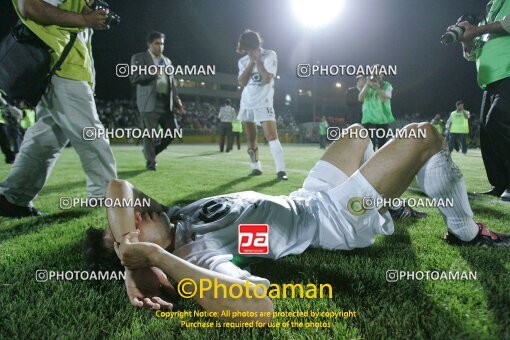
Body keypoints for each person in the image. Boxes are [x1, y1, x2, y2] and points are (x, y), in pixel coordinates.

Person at [84, 122, 510, 310]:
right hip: (336, 220)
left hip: (308, 195)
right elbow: (260, 306)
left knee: (357, 134)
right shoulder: (199, 257)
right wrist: (153, 260)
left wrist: (127, 256)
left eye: (124, 224)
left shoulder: (176, 217)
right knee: (424, 136)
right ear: (150, 259)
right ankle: (466, 232)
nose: (130, 215)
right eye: (122, 229)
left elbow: (117, 189)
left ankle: (391, 197)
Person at [0, 0, 117, 218]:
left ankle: (12, 197)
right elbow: (31, 7)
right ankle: (106, 203)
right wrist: (85, 19)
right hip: (60, 66)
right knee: (91, 134)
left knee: (46, 139)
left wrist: (91, 14)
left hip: (64, 66)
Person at [455, 0, 510, 200]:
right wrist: (465, 38)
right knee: (487, 132)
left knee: (497, 120)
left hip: (508, 72)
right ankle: (500, 183)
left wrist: (476, 30)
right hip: (490, 81)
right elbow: (472, 54)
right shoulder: (490, 10)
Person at [236, 29, 288, 180]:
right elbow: (241, 82)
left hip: (264, 102)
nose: (248, 51)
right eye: (246, 49)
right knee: (251, 137)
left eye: (249, 48)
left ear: (256, 44)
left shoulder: (270, 55)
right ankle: (256, 167)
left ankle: (281, 171)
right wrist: (251, 62)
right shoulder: (243, 61)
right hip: (246, 103)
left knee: (272, 135)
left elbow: (267, 79)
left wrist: (258, 61)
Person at [130, 31, 184, 171]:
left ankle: (150, 153)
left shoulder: (168, 61)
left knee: (173, 132)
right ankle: (151, 162)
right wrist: (151, 73)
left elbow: (172, 84)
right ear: (149, 44)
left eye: (162, 44)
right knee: (150, 134)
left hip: (166, 103)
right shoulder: (139, 58)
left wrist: (177, 102)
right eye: (157, 43)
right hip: (149, 102)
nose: (160, 46)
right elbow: (134, 78)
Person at [358, 69, 395, 150]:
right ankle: (369, 160)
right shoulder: (367, 85)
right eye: (375, 72)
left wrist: (378, 88)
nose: (376, 75)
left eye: (379, 73)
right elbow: (360, 98)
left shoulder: (387, 85)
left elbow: (384, 99)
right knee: (369, 143)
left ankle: (381, 160)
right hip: (369, 118)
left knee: (382, 143)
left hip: (383, 118)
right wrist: (367, 85)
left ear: (382, 74)